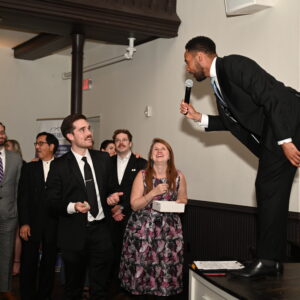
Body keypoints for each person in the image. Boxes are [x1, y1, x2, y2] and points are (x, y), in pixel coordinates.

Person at [180, 36, 300, 278]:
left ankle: (267, 260)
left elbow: (273, 95)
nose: (187, 68)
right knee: (271, 191)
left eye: (187, 61)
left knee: (267, 187)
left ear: (199, 57)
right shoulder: (219, 83)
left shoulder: (233, 65)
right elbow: (231, 122)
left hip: (288, 123)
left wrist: (286, 140)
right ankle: (273, 260)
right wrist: (198, 117)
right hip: (278, 131)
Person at [46, 114, 114, 300]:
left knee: (101, 287)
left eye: (89, 128)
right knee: (73, 288)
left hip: (101, 231)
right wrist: (72, 207)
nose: (89, 133)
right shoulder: (59, 165)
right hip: (74, 233)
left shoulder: (104, 159)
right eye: (82, 130)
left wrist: (113, 197)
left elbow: (111, 188)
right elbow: (51, 202)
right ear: (70, 136)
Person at [117, 138, 187, 299]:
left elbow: (183, 198)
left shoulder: (178, 176)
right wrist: (152, 193)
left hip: (169, 231)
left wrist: (177, 203)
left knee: (165, 270)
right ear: (151, 155)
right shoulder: (142, 175)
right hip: (143, 230)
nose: (159, 151)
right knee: (142, 272)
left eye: (163, 149)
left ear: (169, 155)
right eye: (156, 149)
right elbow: (134, 205)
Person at [18, 132, 59, 300]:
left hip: (54, 224)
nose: (37, 147)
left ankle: (44, 295)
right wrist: (24, 223)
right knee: (28, 263)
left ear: (52, 146)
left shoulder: (63, 167)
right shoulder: (29, 168)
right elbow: (23, 198)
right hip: (32, 224)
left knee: (49, 264)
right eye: (36, 143)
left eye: (41, 143)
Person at [106, 129, 147, 293]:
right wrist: (111, 206)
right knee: (110, 252)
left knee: (129, 254)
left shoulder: (141, 163)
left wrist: (122, 207)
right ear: (114, 144)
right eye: (117, 140)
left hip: (132, 215)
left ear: (130, 143)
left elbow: (141, 191)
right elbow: (102, 187)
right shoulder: (106, 163)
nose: (121, 142)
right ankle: (111, 287)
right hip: (109, 215)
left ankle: (127, 287)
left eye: (124, 140)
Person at [0, 123, 22, 300]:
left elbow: (19, 188)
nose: (2, 135)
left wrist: (16, 210)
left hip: (8, 215)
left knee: (7, 254)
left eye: (2, 132)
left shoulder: (14, 158)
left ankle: (5, 288)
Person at [4, 139, 24, 277]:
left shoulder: (23, 165)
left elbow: (21, 190)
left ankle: (16, 263)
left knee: (14, 237)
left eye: (7, 146)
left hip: (14, 208)